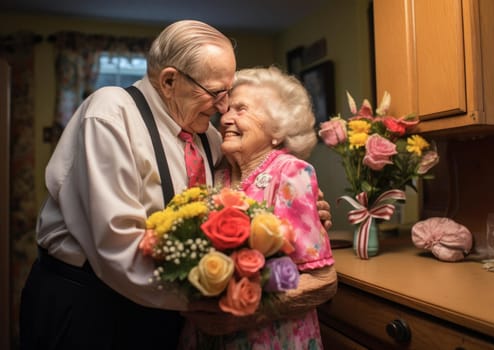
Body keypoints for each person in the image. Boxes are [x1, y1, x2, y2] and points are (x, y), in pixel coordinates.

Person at [20, 20, 332, 349]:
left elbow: (250, 188)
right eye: (216, 93)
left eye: (230, 94)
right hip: (89, 304)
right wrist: (220, 303)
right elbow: (116, 244)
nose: (223, 108)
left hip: (161, 310)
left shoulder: (207, 137)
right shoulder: (110, 114)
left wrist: (304, 210)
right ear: (170, 81)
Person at [179, 66, 337, 349]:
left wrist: (246, 311)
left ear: (278, 130)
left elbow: (323, 279)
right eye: (226, 110)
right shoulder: (214, 176)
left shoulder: (290, 173)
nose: (226, 118)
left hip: (272, 336)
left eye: (241, 110)